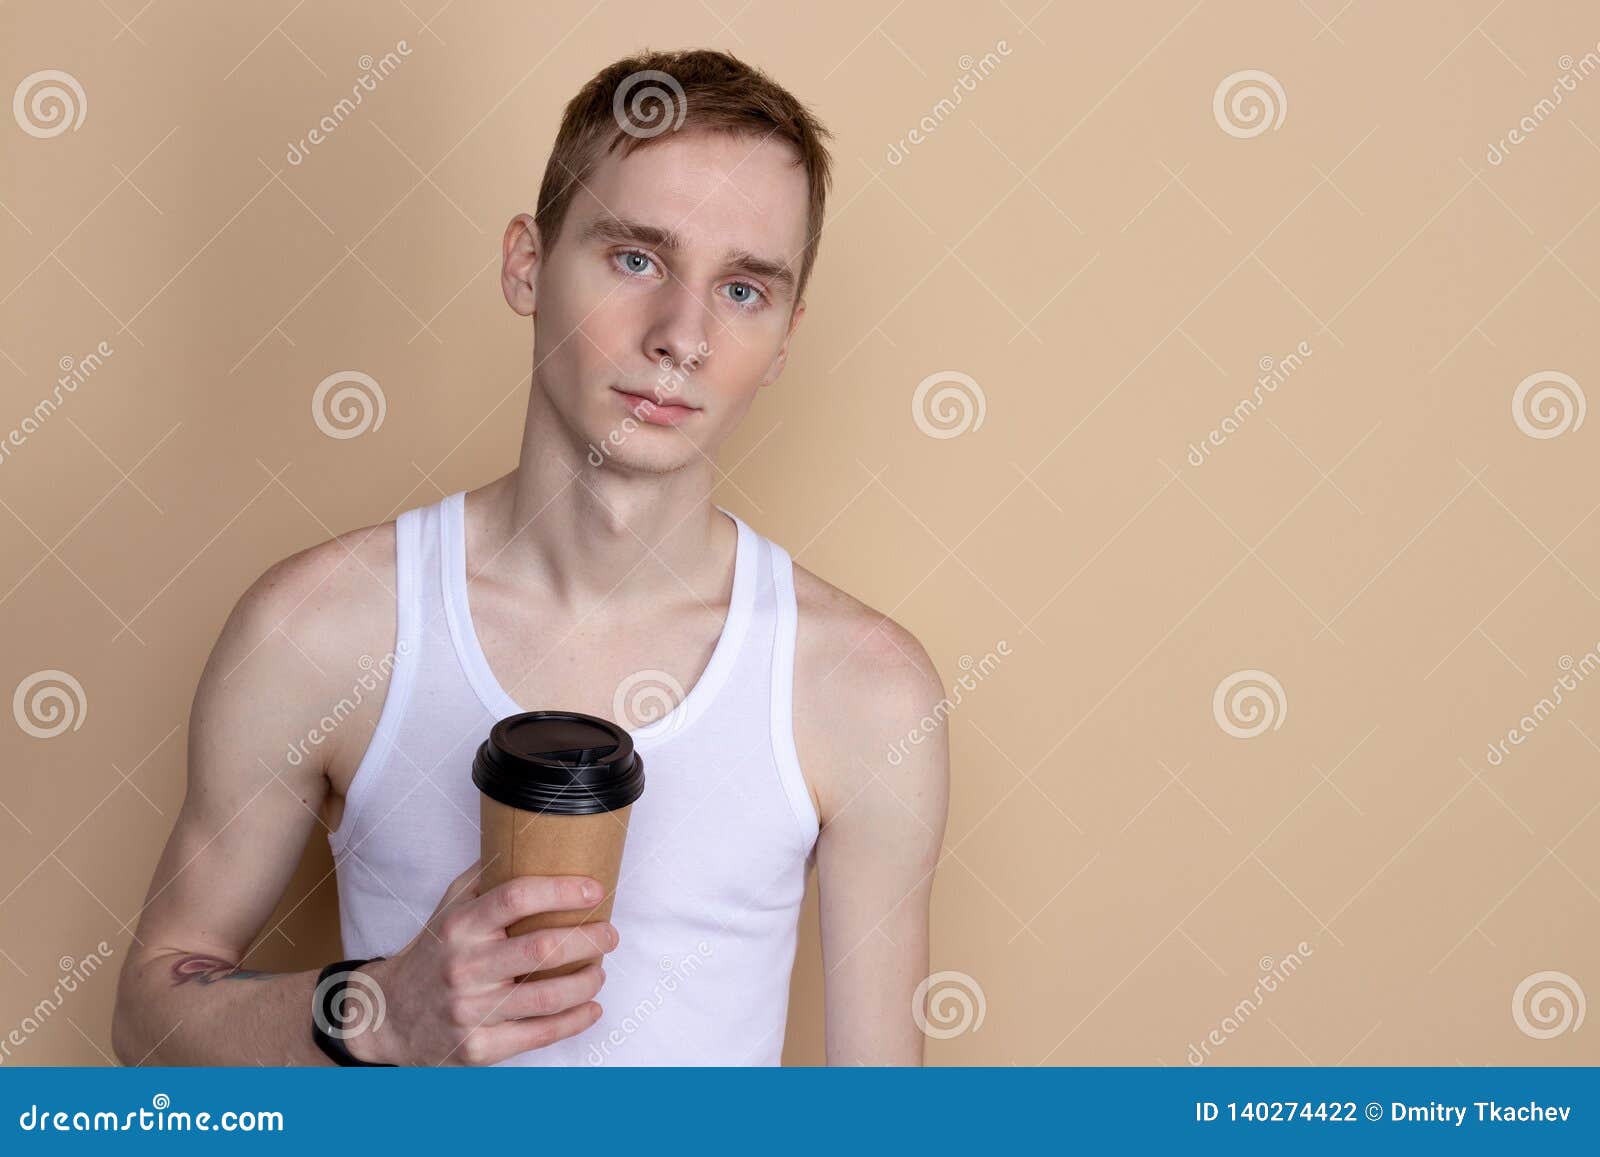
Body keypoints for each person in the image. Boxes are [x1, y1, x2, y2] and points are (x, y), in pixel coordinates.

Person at [111, 47, 949, 1067]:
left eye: (741, 290)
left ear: (782, 340)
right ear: (526, 263)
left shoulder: (862, 689)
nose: (680, 335)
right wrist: (378, 1012)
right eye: (636, 258)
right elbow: (148, 1015)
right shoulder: (321, 626)